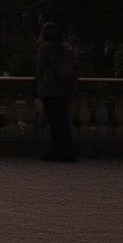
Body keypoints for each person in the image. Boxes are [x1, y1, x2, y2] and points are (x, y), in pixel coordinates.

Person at [35, 22, 77, 163]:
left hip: (50, 86)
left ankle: (57, 150)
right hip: (65, 85)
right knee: (62, 120)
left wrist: (38, 83)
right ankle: (67, 151)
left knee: (53, 122)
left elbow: (39, 66)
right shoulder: (66, 46)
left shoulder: (45, 46)